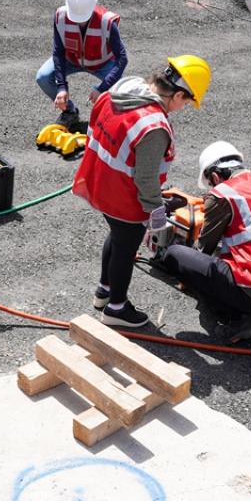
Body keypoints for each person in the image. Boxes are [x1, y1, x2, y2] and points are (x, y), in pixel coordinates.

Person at [72, 55, 210, 328]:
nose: (183, 107)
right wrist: (156, 213)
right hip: (123, 197)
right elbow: (145, 178)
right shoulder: (153, 126)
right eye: (186, 102)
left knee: (117, 237)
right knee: (126, 248)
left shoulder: (122, 91)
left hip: (98, 183)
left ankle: (104, 292)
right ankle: (116, 308)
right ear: (178, 94)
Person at [157, 142, 251, 345]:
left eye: (211, 183)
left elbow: (204, 249)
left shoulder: (223, 194)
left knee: (175, 255)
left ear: (216, 177)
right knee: (235, 275)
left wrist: (187, 274)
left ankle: (239, 318)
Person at [35, 0, 128, 131]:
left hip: (102, 64)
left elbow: (122, 59)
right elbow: (58, 52)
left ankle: (114, 124)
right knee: (43, 77)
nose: (79, 21)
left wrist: (102, 88)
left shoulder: (107, 21)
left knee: (125, 93)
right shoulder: (60, 16)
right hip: (72, 60)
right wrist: (61, 87)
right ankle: (70, 112)